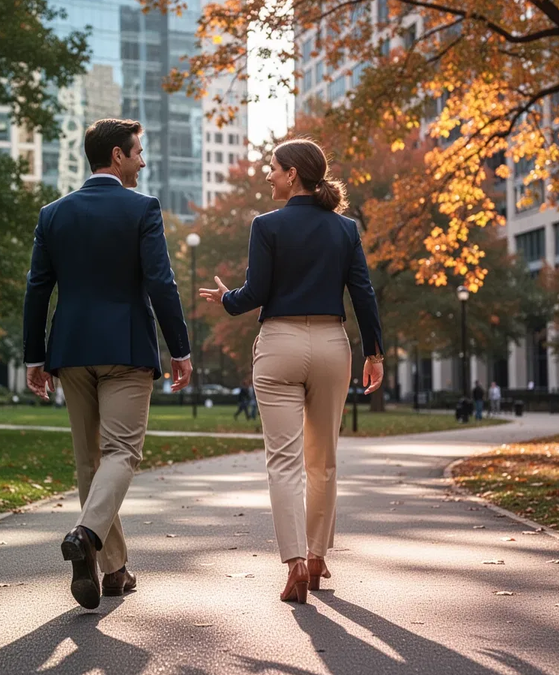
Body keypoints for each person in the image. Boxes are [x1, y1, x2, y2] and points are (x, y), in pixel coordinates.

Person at [199, 138, 383, 605]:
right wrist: (374, 352)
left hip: (279, 344)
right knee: (323, 460)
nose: (268, 176)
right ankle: (318, 558)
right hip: (331, 344)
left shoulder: (267, 225)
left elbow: (254, 293)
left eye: (273, 169)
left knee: (284, 461)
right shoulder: (346, 229)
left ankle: (295, 562)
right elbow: (363, 293)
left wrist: (225, 299)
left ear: (294, 174)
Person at [22, 118, 192, 610]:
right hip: (126, 349)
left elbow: (37, 289)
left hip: (70, 350)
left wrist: (35, 355)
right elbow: (161, 281)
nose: (143, 161)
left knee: (88, 461)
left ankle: (113, 571)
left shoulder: (53, 214)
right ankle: (86, 536)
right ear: (116, 156)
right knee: (122, 453)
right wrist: (178, 348)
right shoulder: (142, 208)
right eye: (138, 152)